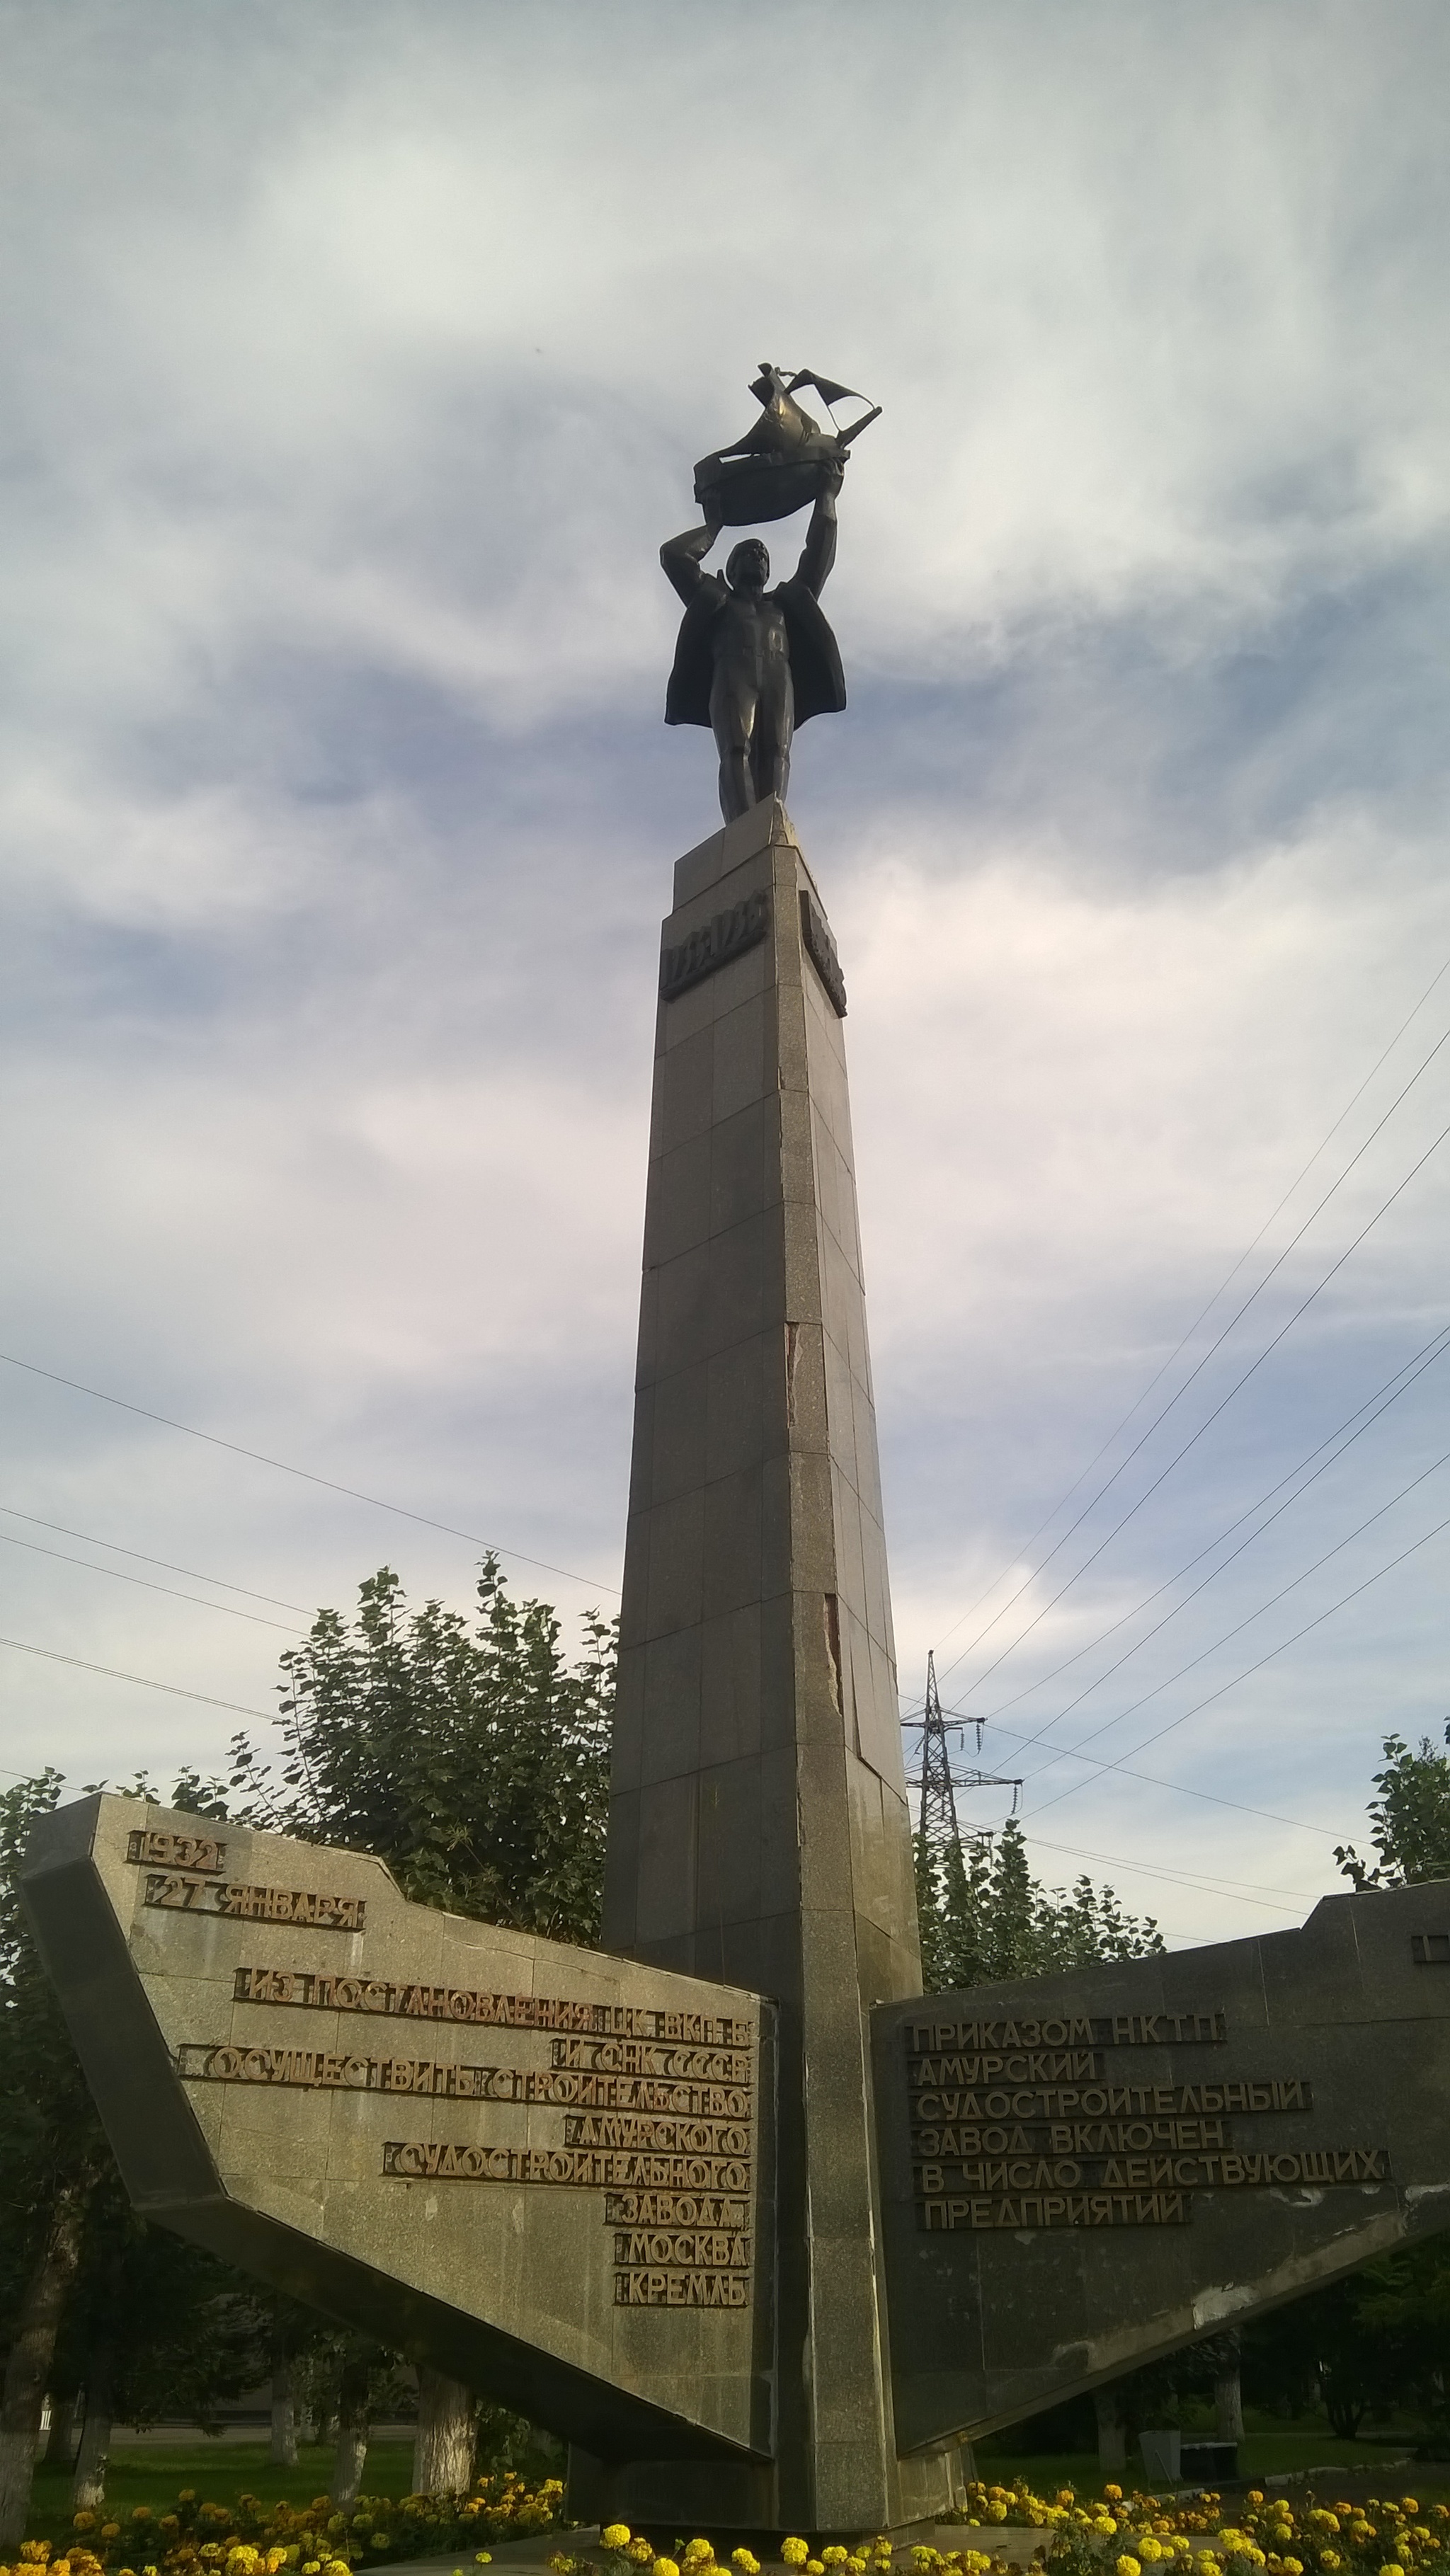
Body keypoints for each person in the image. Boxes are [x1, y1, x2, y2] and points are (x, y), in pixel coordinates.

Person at [661, 460, 846, 823]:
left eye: (763, 555)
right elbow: (674, 556)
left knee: (777, 751)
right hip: (733, 676)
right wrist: (715, 526)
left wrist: (827, 496)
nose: (758, 556)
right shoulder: (717, 601)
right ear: (729, 570)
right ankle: (744, 827)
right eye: (748, 552)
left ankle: (770, 822)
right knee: (735, 749)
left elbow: (819, 553)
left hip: (779, 677)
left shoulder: (785, 602)